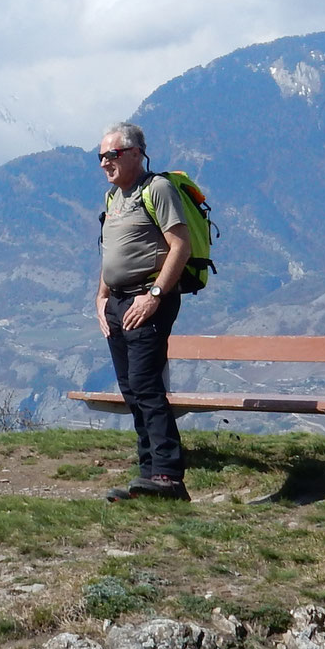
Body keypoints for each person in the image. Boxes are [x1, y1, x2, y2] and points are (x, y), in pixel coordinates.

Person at [94, 122, 191, 501]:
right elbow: (111, 254)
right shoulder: (113, 199)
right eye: (100, 156)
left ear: (136, 153)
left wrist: (153, 295)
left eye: (112, 155)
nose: (105, 163)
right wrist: (101, 297)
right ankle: (148, 474)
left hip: (146, 301)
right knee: (131, 389)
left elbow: (179, 245)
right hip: (117, 302)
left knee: (147, 387)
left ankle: (168, 476)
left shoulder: (158, 190)